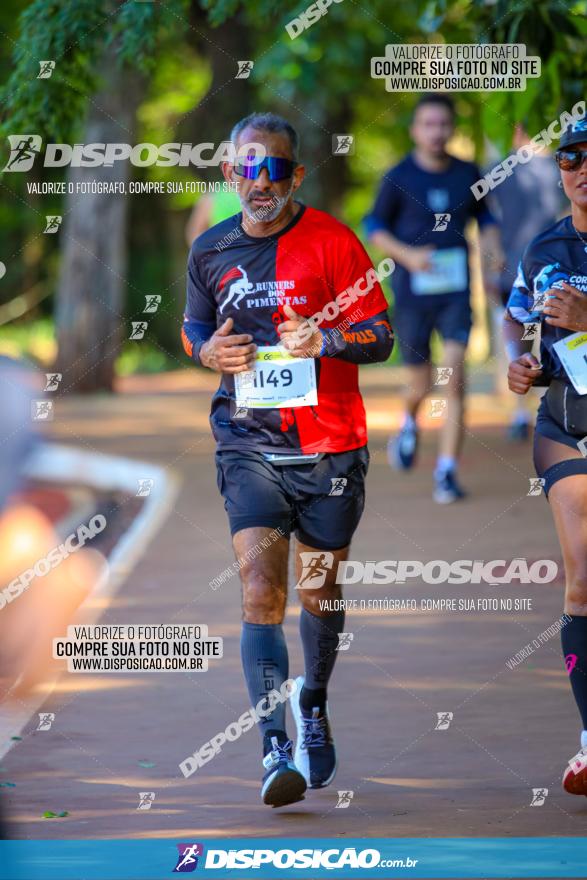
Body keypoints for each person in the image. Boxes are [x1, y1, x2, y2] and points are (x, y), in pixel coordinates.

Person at [181, 112, 394, 807]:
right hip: (249, 444)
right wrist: (208, 352)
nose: (259, 181)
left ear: (294, 174)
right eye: (247, 167)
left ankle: (313, 701)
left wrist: (327, 340)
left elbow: (381, 334)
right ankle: (273, 747)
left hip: (330, 445)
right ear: (229, 175)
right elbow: (192, 328)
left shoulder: (333, 241)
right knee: (258, 592)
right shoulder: (211, 249)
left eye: (272, 167)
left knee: (319, 594)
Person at [503, 112, 587, 796]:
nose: (581, 168)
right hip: (566, 426)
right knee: (581, 575)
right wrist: (523, 369)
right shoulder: (543, 247)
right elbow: (530, 336)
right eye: (570, 157)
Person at [365, 93, 502, 503]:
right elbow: (373, 225)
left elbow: (487, 219)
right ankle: (409, 422)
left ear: (452, 128)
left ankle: (446, 471)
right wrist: (407, 256)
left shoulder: (467, 173)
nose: (436, 132)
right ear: (415, 130)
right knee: (420, 383)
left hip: (457, 292)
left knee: (454, 375)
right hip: (413, 294)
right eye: (428, 124)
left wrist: (494, 261)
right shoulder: (398, 177)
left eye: (443, 124)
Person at [491, 123, 564, 441]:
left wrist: (487, 269)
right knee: (539, 337)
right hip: (545, 269)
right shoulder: (559, 166)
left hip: (518, 268)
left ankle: (521, 413)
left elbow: (486, 227)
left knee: (516, 340)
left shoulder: (499, 169)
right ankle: (525, 410)